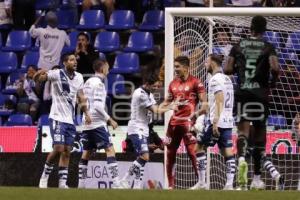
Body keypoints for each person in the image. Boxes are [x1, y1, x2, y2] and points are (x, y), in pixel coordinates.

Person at [224, 15, 284, 190]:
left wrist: (239, 69)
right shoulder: (268, 46)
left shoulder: (238, 45)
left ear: (250, 28)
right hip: (260, 95)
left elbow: (227, 69)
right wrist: (273, 81)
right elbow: (275, 67)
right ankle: (257, 179)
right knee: (259, 136)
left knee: (242, 132)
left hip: (243, 93)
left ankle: (242, 159)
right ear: (264, 30)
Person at [34, 53, 91, 188]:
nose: (75, 62)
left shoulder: (79, 77)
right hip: (57, 117)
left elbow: (81, 97)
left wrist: (87, 113)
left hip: (70, 120)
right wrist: (38, 73)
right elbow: (39, 79)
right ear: (64, 63)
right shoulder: (56, 73)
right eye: (71, 60)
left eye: (75, 59)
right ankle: (44, 176)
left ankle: (62, 183)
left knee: (67, 151)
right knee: (58, 147)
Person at [120, 73, 177, 189]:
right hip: (136, 128)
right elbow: (156, 110)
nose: (156, 89)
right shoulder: (140, 94)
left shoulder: (149, 94)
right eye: (154, 86)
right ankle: (124, 179)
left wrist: (169, 103)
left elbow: (158, 108)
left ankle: (136, 186)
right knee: (145, 156)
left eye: (157, 86)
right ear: (147, 84)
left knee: (141, 158)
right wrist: (170, 107)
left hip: (144, 128)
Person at [190, 54, 235, 190]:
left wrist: (215, 121)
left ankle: (202, 183)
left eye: (207, 62)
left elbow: (220, 99)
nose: (205, 64)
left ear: (213, 63)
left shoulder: (214, 80)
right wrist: (198, 113)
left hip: (216, 121)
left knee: (198, 148)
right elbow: (215, 102)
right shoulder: (227, 79)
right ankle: (229, 185)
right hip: (227, 121)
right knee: (227, 151)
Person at [162, 56, 207, 189]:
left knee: (193, 152)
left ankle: (201, 182)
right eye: (175, 66)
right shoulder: (172, 84)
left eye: (177, 66)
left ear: (186, 67)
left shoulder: (196, 83)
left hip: (188, 123)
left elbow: (204, 102)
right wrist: (163, 107)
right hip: (174, 124)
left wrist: (200, 115)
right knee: (170, 153)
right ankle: (170, 186)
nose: (175, 69)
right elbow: (166, 102)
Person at [77, 59, 122, 189]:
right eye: (107, 67)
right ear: (102, 69)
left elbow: (81, 100)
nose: (109, 69)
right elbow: (97, 106)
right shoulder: (100, 84)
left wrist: (86, 115)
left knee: (86, 152)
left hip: (87, 123)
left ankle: (81, 185)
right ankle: (116, 183)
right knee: (110, 150)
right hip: (97, 123)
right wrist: (110, 119)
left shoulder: (88, 82)